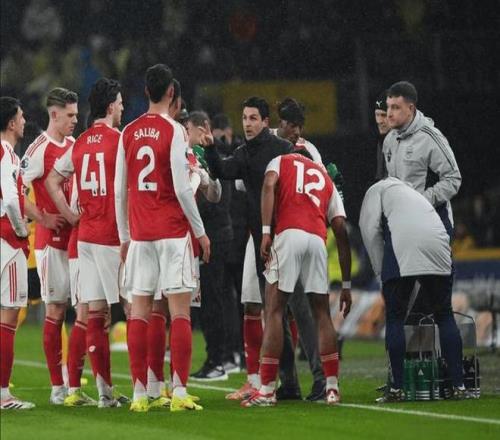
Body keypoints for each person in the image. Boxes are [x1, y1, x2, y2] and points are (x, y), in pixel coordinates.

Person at [114, 64, 208, 412]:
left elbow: (120, 191)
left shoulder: (128, 131)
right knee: (179, 312)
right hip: (172, 231)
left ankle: (140, 395)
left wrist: (125, 237)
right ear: (171, 92)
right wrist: (200, 232)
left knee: (139, 312)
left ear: (145, 92)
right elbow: (183, 189)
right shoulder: (175, 130)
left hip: (140, 235)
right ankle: (179, 392)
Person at [242, 150, 352, 407]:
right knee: (322, 314)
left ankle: (267, 390)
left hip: (289, 234)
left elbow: (269, 184)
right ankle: (332, 387)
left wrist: (266, 231)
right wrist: (346, 284)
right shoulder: (325, 176)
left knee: (274, 310)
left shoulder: (281, 160)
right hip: (317, 240)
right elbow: (340, 228)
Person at [202, 96, 293, 399]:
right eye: (244, 118)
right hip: (260, 241)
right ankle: (272, 381)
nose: (248, 123)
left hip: (285, 237)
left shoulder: (283, 149)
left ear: (266, 122)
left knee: (288, 311)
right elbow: (222, 170)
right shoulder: (244, 153)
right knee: (267, 309)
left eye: (253, 118)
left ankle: (313, 380)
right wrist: (210, 149)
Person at [45, 78, 127, 408]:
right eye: (119, 102)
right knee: (136, 308)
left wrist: (70, 215)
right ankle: (147, 389)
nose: (122, 107)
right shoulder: (119, 140)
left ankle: (103, 393)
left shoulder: (79, 143)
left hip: (86, 236)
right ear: (110, 106)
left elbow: (53, 179)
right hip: (112, 235)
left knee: (94, 314)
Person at [359, 177, 472, 402]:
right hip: (438, 243)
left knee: (395, 316)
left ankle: (397, 389)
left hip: (405, 244)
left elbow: (369, 232)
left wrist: (380, 273)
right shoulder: (415, 195)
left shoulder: (376, 190)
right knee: (444, 315)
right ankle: (459, 386)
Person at [20, 87, 86, 405]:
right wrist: (42, 217)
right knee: (56, 311)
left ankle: (75, 386)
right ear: (54, 114)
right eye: (70, 115)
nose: (75, 120)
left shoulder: (74, 145)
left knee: (85, 310)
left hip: (78, 240)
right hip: (50, 244)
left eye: (77, 114)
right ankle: (57, 387)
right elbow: (15, 191)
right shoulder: (37, 150)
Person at [383, 81, 461, 237]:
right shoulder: (389, 140)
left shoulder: (430, 137)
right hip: (403, 225)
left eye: (396, 107)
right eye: (388, 107)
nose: (389, 113)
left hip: (433, 223)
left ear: (411, 108)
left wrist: (421, 202)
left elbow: (453, 179)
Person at [187, 111, 231, 381]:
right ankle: (216, 358)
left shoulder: (212, 155)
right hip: (205, 237)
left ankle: (219, 360)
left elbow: (218, 198)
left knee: (214, 301)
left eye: (188, 128)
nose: (185, 134)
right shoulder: (194, 156)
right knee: (207, 303)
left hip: (213, 237)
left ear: (203, 128)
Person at [0, 96, 34, 410]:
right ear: (11, 123)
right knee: (9, 317)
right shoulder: (7, 154)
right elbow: (11, 200)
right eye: (21, 117)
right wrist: (22, 230)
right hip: (8, 243)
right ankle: (3, 395)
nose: (24, 121)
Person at [374, 91, 389, 181]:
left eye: (384, 115)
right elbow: (380, 179)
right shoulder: (381, 142)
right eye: (377, 115)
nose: (379, 121)